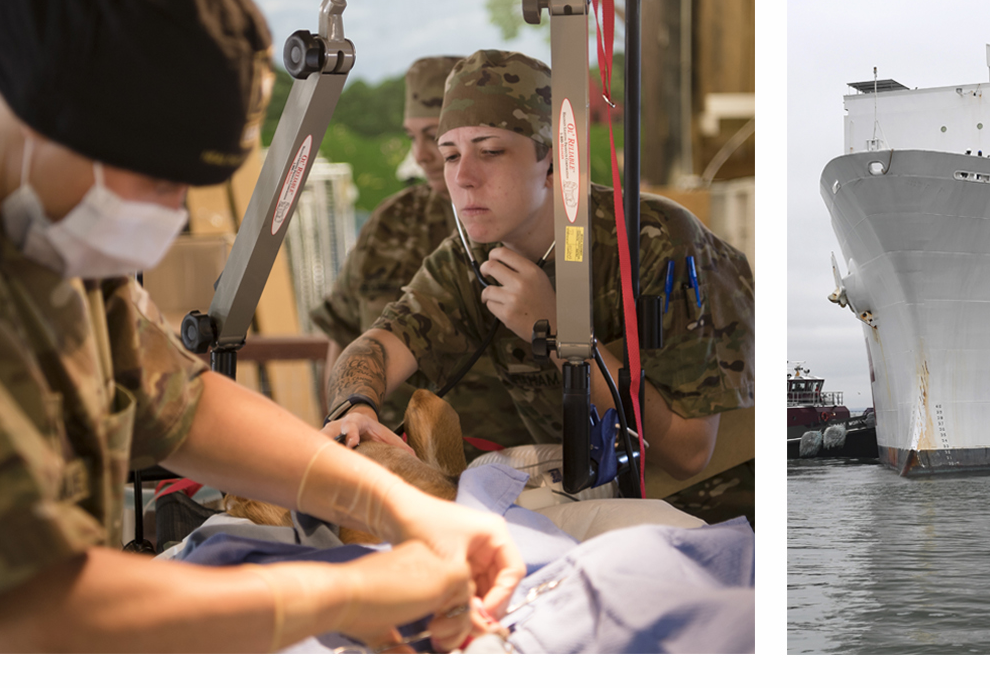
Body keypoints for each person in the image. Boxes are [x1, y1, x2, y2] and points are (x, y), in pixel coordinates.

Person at [0, 0, 520, 653]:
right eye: (156, 177)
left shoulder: (59, 244)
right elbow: (31, 609)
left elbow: (178, 404)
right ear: (36, 108)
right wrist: (332, 588)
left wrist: (385, 500)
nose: (171, 213)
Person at [321, 50, 754, 483]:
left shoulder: (657, 241)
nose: (464, 176)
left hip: (714, 513)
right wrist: (355, 407)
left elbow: (688, 454)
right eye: (451, 155)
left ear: (553, 163)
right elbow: (377, 347)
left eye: (489, 151)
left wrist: (561, 331)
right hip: (590, 504)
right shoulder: (472, 258)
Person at [308, 55, 520, 444]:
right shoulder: (392, 220)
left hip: (498, 461)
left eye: (435, 136)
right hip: (387, 449)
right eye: (413, 136)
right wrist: (347, 418)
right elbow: (345, 335)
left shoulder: (516, 229)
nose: (422, 154)